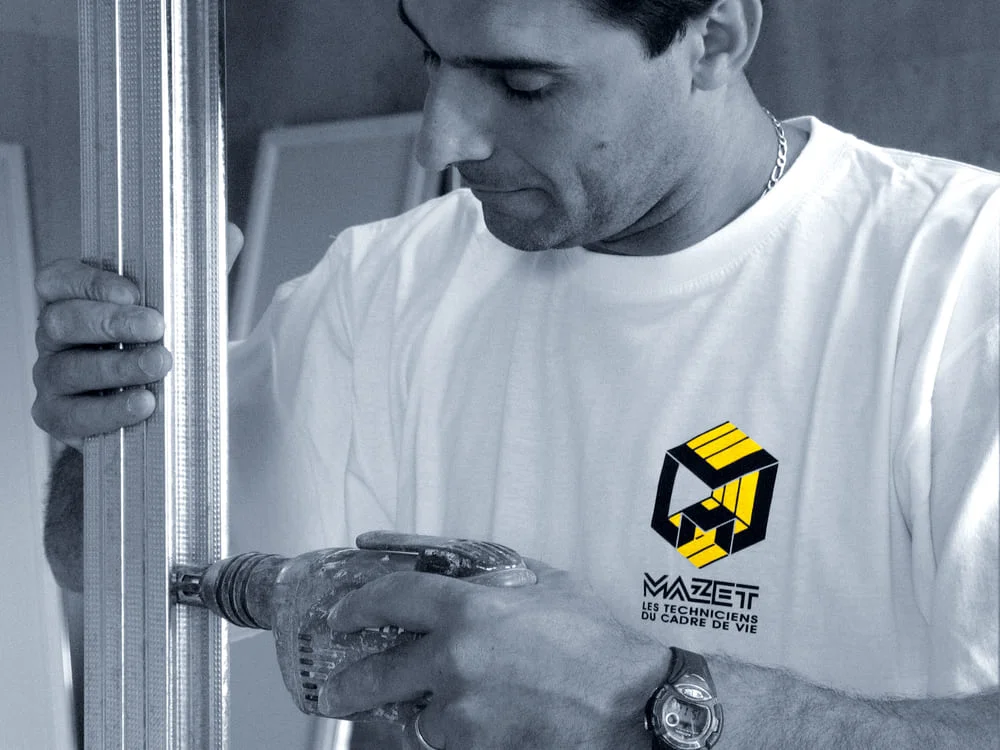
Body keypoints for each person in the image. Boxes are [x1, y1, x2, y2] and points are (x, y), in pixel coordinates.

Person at [34, 0, 998, 748]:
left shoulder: (958, 281)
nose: (440, 140)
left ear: (713, 38)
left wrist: (642, 703)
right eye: (431, 58)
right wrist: (108, 423)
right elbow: (113, 565)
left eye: (523, 83)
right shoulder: (388, 288)